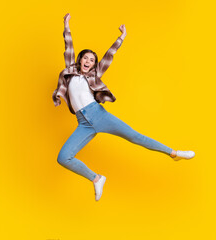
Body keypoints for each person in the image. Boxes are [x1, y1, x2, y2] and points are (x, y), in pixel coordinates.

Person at [52, 13, 195, 201]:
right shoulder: (70, 71)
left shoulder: (94, 76)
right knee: (63, 158)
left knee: (135, 137)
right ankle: (96, 178)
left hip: (98, 115)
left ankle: (174, 153)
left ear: (94, 65)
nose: (88, 62)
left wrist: (121, 38)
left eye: (91, 60)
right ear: (80, 60)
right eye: (85, 58)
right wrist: (66, 25)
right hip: (83, 124)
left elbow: (108, 56)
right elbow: (68, 46)